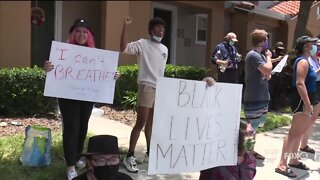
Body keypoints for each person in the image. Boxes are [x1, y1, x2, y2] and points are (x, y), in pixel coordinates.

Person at [44, 19, 120, 180]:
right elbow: (52, 69)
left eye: (85, 32)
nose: (81, 34)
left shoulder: (95, 53)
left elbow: (103, 73)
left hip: (86, 96)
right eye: (78, 31)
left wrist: (113, 75)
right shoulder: (63, 51)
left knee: (82, 127)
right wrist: (48, 68)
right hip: (67, 96)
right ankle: (70, 166)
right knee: (71, 128)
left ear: (89, 35)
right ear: (73, 34)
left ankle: (77, 157)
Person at [119, 16, 168, 173]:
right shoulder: (142, 44)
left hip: (159, 87)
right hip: (146, 86)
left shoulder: (165, 49)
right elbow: (124, 48)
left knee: (151, 124)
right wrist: (126, 27)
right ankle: (130, 155)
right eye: (157, 28)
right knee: (141, 122)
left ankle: (150, 153)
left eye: (162, 28)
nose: (160, 30)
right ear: (151, 30)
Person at [275, 36, 318, 178]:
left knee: (298, 133)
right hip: (301, 100)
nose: (315, 45)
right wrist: (307, 104)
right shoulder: (303, 62)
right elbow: (300, 84)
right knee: (293, 133)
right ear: (306, 46)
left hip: (306, 98)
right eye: (312, 43)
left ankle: (293, 160)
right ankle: (282, 164)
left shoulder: (306, 62)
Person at [243, 29, 273, 161]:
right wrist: (269, 57)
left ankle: (250, 150)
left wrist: (267, 74)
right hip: (254, 97)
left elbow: (266, 74)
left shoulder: (259, 55)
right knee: (250, 128)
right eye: (266, 39)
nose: (267, 42)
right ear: (261, 41)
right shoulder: (254, 55)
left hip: (262, 96)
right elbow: (267, 69)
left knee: (255, 128)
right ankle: (244, 153)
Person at [299, 39, 320, 154]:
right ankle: (302, 144)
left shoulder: (317, 59)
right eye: (316, 46)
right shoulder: (308, 60)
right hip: (313, 88)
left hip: (319, 88)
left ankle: (304, 143)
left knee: (313, 118)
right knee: (309, 118)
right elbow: (310, 75)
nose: (317, 48)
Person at [268, 42, 286, 111]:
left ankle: (275, 106)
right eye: (279, 49)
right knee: (270, 91)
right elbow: (268, 61)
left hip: (278, 75)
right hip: (272, 74)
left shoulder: (281, 55)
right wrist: (277, 59)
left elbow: (284, 65)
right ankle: (269, 106)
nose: (280, 50)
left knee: (276, 91)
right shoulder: (272, 53)